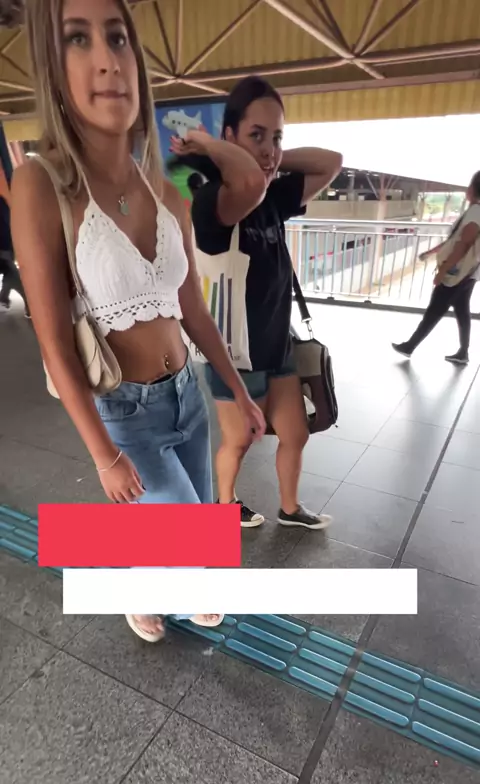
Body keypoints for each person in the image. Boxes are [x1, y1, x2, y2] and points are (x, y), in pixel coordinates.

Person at [11, 0, 265, 642]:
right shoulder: (42, 185)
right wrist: (103, 456)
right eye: (78, 39)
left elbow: (192, 308)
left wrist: (237, 390)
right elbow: (52, 340)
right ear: (53, 65)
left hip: (187, 394)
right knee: (186, 529)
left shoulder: (166, 192)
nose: (107, 60)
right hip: (124, 411)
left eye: (118, 38)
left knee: (192, 522)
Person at [173, 76, 343, 530]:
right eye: (256, 135)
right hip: (234, 351)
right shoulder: (214, 201)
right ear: (230, 135)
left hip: (277, 344)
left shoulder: (271, 197)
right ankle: (225, 505)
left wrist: (272, 156)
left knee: (296, 433)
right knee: (240, 439)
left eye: (277, 136)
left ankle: (290, 509)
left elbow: (331, 163)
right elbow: (247, 180)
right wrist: (211, 146)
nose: (269, 149)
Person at [393, 171, 480, 365]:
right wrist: (431, 252)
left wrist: (443, 270)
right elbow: (455, 240)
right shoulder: (475, 211)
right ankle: (463, 352)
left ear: (473, 189)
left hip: (456, 273)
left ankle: (410, 346)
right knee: (462, 310)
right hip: (469, 273)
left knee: (435, 310)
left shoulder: (475, 213)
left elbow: (463, 244)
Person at [0, 194, 30, 318]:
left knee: (11, 273)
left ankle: (4, 298)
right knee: (12, 275)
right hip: (5, 248)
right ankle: (30, 303)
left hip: (4, 247)